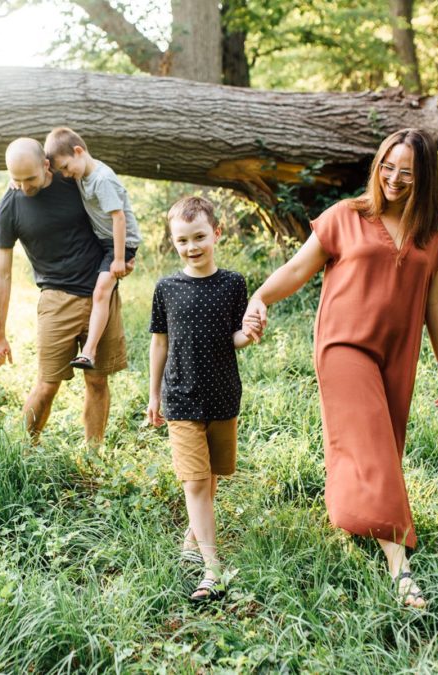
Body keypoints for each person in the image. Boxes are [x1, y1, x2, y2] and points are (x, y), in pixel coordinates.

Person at [242, 128, 438, 608]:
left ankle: (354, 513)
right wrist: (258, 296)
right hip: (343, 345)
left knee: (381, 441)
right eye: (387, 166)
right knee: (371, 441)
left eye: (406, 171)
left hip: (397, 352)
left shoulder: (432, 232)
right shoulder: (347, 216)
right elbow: (298, 270)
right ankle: (400, 568)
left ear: (423, 177)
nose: (394, 178)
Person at [147, 195, 259, 603]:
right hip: (180, 397)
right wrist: (153, 393)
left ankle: (193, 539)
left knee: (211, 478)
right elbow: (159, 343)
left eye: (199, 237)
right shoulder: (167, 288)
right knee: (195, 481)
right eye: (182, 240)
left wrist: (251, 332)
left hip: (223, 395)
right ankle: (213, 570)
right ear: (172, 242)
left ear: (217, 233)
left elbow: (236, 336)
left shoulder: (233, 284)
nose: (191, 247)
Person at [0, 137, 130, 445]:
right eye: (17, 179)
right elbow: (1, 273)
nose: (25, 187)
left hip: (100, 294)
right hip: (55, 299)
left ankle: (95, 456)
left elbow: (113, 214)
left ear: (46, 165)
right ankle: (20, 451)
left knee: (96, 380)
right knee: (47, 383)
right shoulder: (10, 207)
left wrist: (122, 257)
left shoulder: (73, 181)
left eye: (31, 178)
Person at [43, 127, 142, 371]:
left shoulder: (102, 179)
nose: (65, 174)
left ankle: (90, 351)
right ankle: (89, 350)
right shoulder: (80, 174)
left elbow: (119, 219)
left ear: (79, 151)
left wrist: (119, 258)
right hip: (103, 239)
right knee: (100, 291)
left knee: (100, 293)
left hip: (119, 242)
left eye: (66, 167)